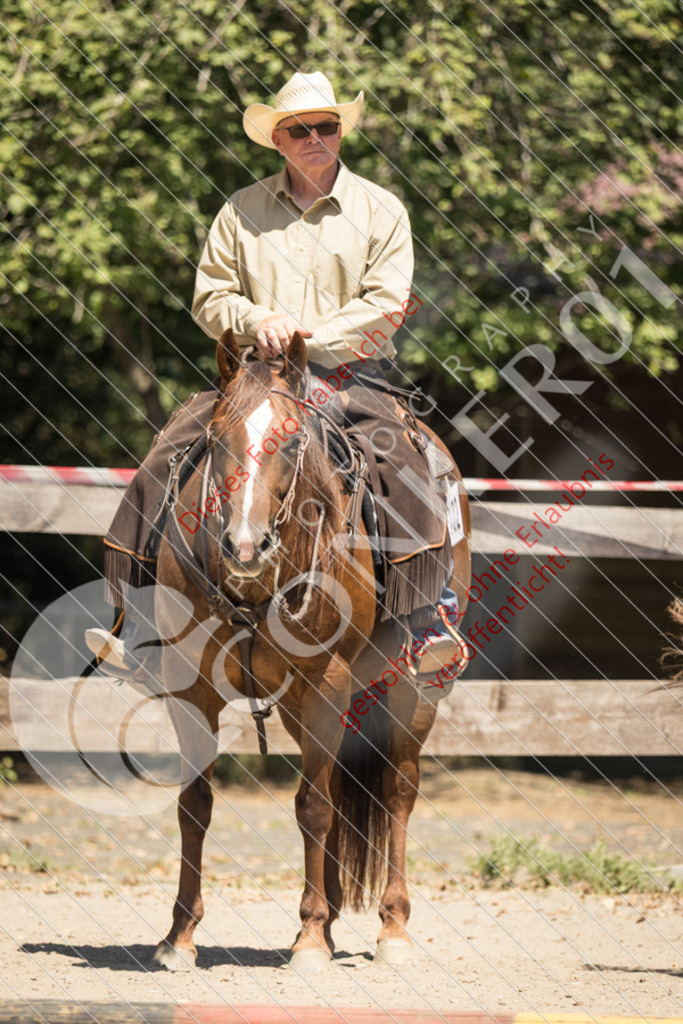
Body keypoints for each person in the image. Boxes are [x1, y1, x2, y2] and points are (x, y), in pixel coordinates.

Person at [87, 70, 463, 686]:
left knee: (407, 462)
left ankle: (428, 623)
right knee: (165, 456)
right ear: (278, 140)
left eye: (327, 126)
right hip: (253, 379)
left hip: (350, 373)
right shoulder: (240, 209)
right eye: (300, 129)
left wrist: (304, 338)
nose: (316, 137)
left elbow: (388, 303)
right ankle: (137, 627)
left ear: (340, 132)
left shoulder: (381, 209)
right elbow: (210, 296)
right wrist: (256, 320)